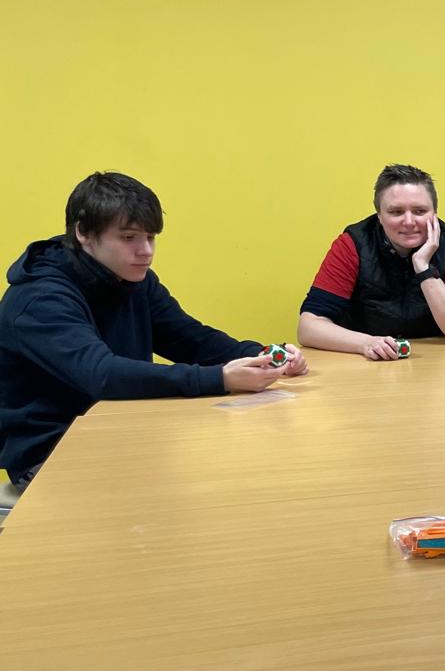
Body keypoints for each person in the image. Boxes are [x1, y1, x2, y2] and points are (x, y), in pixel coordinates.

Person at [0, 172, 304, 491]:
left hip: (122, 434)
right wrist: (221, 378)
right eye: (129, 237)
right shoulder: (40, 299)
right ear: (84, 233)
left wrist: (263, 355)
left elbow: (190, 338)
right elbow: (102, 375)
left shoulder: (133, 279)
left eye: (151, 237)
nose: (146, 251)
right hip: (52, 454)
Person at [298, 164, 445, 358]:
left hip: (440, 363)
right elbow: (309, 327)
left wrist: (424, 269)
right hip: (368, 363)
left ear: (434, 213)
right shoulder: (352, 244)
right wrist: (367, 343)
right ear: (379, 216)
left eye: (420, 211)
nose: (409, 222)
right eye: (396, 212)